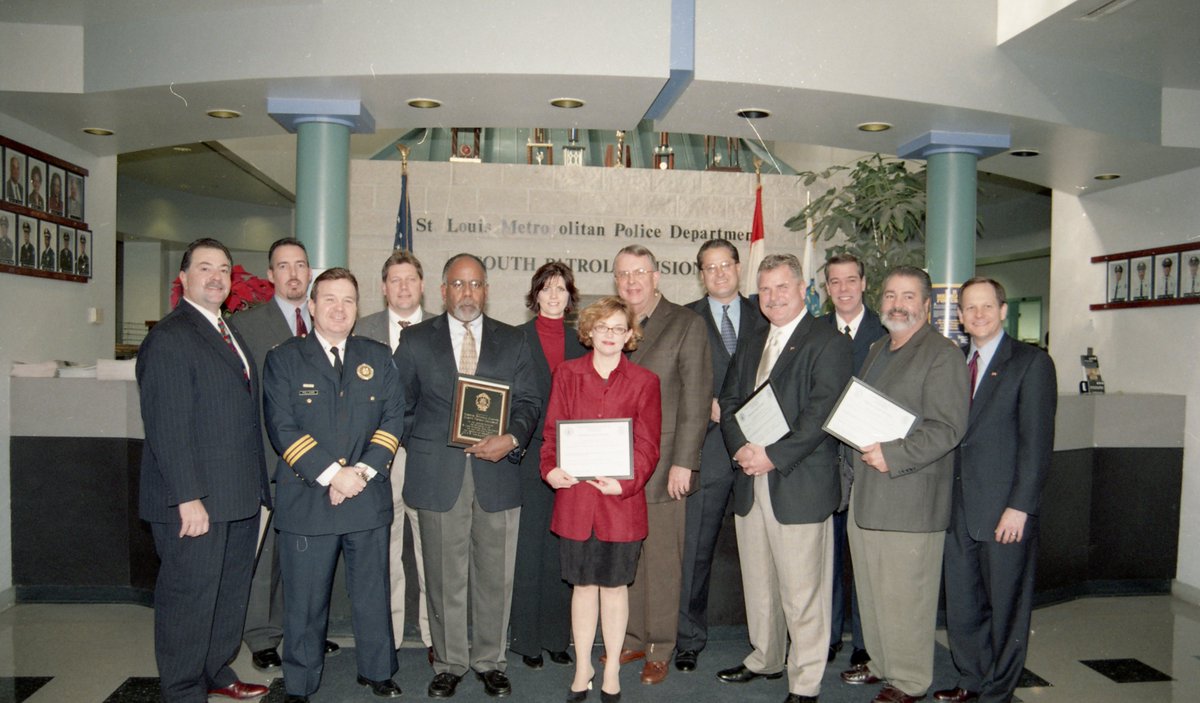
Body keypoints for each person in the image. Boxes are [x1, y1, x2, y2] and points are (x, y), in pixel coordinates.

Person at [393, 253, 542, 699]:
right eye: (458, 284)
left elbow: (529, 402)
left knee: (496, 575)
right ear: (443, 291)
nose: (467, 293)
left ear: (486, 290)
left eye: (475, 284)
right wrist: (430, 441)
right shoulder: (417, 340)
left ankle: (491, 660)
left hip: (497, 473)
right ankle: (451, 661)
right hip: (439, 475)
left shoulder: (513, 341)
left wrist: (511, 440)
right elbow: (397, 407)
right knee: (442, 576)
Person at [135, 237, 271, 702]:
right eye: (205, 268)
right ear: (184, 278)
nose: (216, 277)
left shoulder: (224, 330)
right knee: (188, 603)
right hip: (194, 503)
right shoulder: (171, 337)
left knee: (227, 596)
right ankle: (183, 689)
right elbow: (166, 427)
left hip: (235, 496)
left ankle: (215, 670)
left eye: (223, 270)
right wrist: (187, 498)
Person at [714, 254, 853, 703]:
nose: (773, 297)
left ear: (802, 289)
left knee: (802, 591)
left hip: (797, 482)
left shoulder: (826, 341)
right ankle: (766, 657)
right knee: (759, 585)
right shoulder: (753, 339)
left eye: (782, 287)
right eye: (766, 290)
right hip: (751, 481)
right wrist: (739, 449)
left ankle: (806, 679)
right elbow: (730, 399)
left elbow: (822, 414)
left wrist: (772, 456)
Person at [263, 268, 405, 702]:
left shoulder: (378, 356)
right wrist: (333, 474)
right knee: (304, 601)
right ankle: (301, 681)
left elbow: (393, 419)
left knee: (371, 592)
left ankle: (377, 670)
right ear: (311, 305)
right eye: (329, 299)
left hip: (365, 496)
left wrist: (358, 475)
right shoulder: (285, 358)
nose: (339, 308)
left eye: (348, 300)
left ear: (358, 308)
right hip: (309, 498)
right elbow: (282, 427)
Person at [841, 266, 969, 703]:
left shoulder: (942, 353)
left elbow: (947, 428)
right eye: (891, 295)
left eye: (909, 296)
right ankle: (881, 663)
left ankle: (911, 679)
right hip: (868, 493)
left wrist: (892, 455)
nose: (898, 303)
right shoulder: (879, 347)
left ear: (928, 305)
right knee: (875, 592)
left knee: (906, 598)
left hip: (910, 496)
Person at [934, 277, 1057, 703]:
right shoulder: (955, 362)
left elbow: (1037, 445)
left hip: (1005, 511)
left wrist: (1020, 507)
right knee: (963, 605)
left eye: (987, 306)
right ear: (961, 316)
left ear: (1003, 310)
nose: (978, 314)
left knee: (1007, 607)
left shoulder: (1031, 363)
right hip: (958, 508)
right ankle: (971, 679)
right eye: (970, 308)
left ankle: (999, 691)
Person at [542, 296, 663, 703]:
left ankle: (611, 666)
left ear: (629, 335)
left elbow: (648, 447)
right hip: (576, 500)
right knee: (582, 587)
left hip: (620, 504)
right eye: (602, 327)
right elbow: (551, 434)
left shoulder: (645, 382)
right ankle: (582, 667)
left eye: (618, 328)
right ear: (589, 331)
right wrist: (550, 469)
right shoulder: (567, 374)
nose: (609, 335)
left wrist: (625, 484)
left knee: (613, 588)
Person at [228, 238, 338, 672]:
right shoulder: (248, 325)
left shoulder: (326, 317)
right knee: (269, 559)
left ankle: (305, 630)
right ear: (270, 275)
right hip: (272, 460)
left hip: (323, 462)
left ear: (310, 272)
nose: (293, 274)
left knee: (311, 554)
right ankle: (261, 635)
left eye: (301, 265)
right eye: (283, 266)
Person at [610, 244, 711, 686]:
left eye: (639, 273)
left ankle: (661, 647)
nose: (631, 282)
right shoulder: (611, 326)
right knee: (627, 554)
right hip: (616, 465)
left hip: (665, 463)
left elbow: (695, 399)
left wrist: (684, 463)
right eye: (623, 275)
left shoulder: (686, 324)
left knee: (664, 559)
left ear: (657, 277)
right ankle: (632, 635)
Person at [675, 239, 765, 673]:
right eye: (709, 268)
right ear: (700, 274)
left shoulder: (764, 313)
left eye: (725, 265)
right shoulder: (685, 318)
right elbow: (673, 380)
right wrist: (703, 402)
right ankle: (688, 638)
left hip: (760, 451)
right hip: (708, 450)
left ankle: (770, 642)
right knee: (695, 552)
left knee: (766, 552)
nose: (718, 273)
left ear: (738, 267)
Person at [354, 249, 434, 658]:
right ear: (383, 288)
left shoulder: (442, 329)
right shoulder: (360, 330)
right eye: (395, 280)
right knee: (384, 550)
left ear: (422, 285)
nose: (403, 287)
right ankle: (388, 636)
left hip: (426, 456)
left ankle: (435, 637)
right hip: (376, 456)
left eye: (410, 279)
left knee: (430, 550)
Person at [510, 261, 586, 669]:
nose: (554, 295)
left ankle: (559, 637)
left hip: (572, 460)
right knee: (529, 550)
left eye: (561, 288)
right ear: (535, 294)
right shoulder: (515, 339)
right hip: (529, 456)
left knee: (562, 551)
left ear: (570, 296)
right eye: (546, 288)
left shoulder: (584, 341)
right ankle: (527, 641)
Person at [819, 253, 886, 670]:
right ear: (827, 289)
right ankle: (827, 636)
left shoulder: (887, 332)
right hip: (824, 460)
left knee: (863, 558)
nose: (843, 288)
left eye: (850, 280)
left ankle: (864, 640)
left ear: (864, 283)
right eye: (834, 282)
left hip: (868, 461)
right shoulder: (814, 331)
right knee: (827, 556)